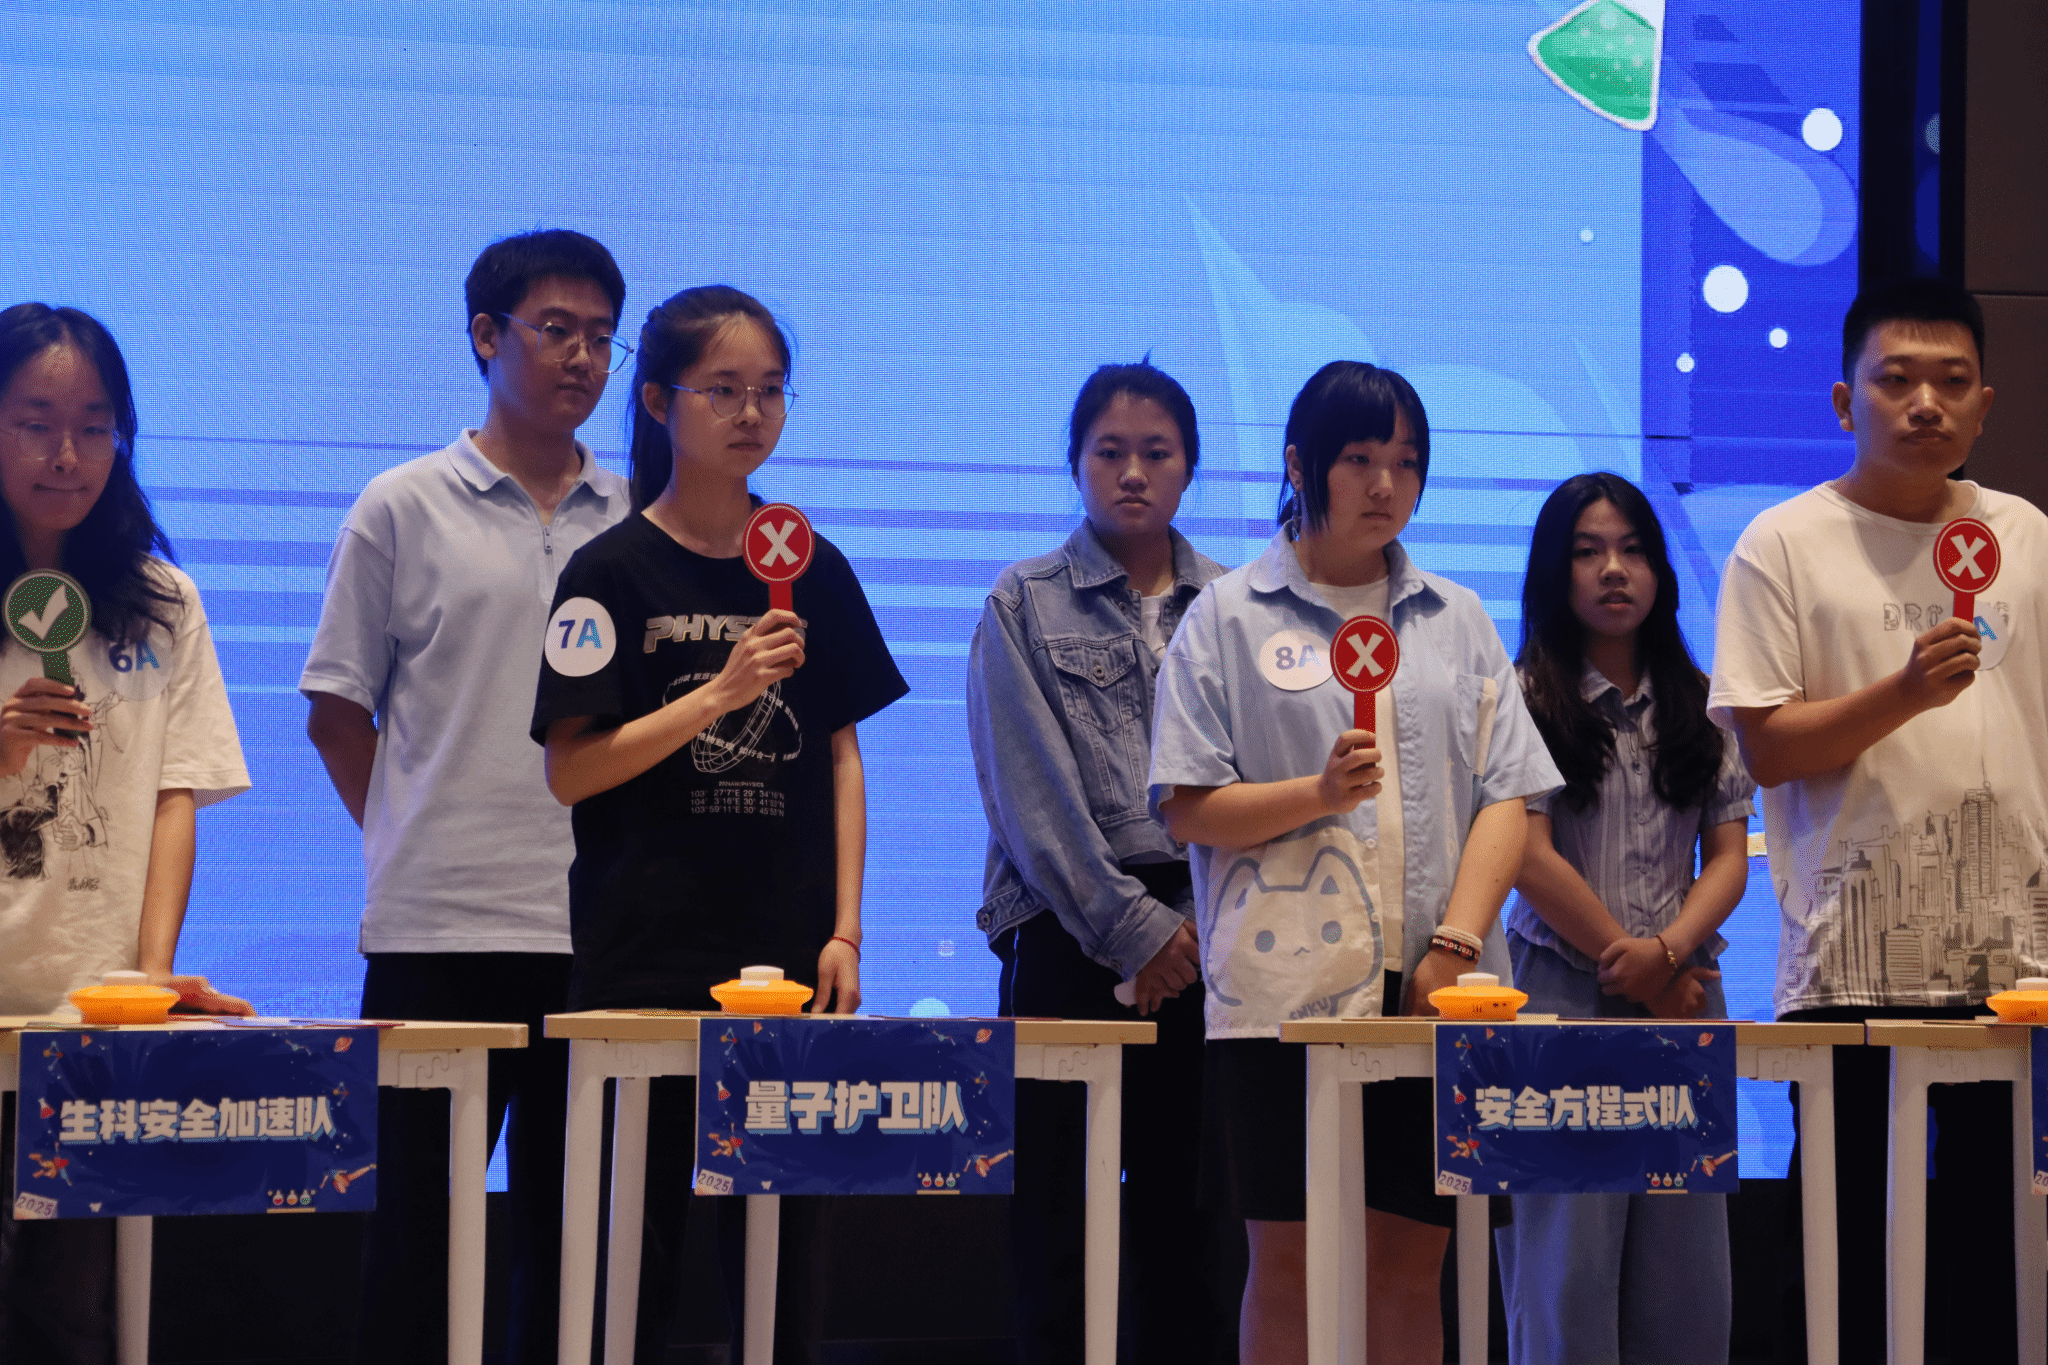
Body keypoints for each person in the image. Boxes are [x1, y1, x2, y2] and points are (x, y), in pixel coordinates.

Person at [1149, 361, 1560, 1365]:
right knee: (1286, 1266)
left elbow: (1508, 794)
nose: (1385, 485)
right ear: (1300, 464)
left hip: (1439, 992)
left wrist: (1454, 946)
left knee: (1409, 1265)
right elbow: (1186, 804)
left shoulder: (1456, 617)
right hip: (1279, 997)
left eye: (1407, 463)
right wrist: (1317, 794)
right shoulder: (1228, 614)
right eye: (1360, 459)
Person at [533, 284, 906, 1362]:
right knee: (628, 1265)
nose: (752, 413)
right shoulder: (606, 571)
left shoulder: (809, 564)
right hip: (642, 955)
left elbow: (840, 753)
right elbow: (571, 771)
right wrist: (719, 693)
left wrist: (844, 930)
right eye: (724, 390)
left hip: (784, 961)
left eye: (771, 391)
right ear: (658, 401)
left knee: (782, 1269)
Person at [300, 228, 630, 1365]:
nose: (582, 357)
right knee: (414, 1244)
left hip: (598, 937)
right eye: (555, 329)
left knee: (574, 1246)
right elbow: (336, 711)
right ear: (486, 336)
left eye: (602, 336)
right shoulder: (400, 505)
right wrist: (412, 835)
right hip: (434, 936)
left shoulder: (638, 516)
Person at [1706, 276, 2028, 1362]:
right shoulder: (1783, 542)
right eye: (1895, 380)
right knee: (1841, 1253)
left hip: (2013, 968)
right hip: (1848, 958)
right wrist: (1903, 692)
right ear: (1845, 401)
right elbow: (1765, 749)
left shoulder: (2026, 537)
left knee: (1995, 1250)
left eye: (1950, 381)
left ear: (1984, 404)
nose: (1924, 403)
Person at [966, 361, 1237, 1363]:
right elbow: (1026, 796)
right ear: (1074, 462)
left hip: (1209, 933)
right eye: (1109, 451)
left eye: (1156, 453)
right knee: (1055, 1214)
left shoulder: (1234, 605)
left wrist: (1191, 928)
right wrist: (1133, 929)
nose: (1132, 472)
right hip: (1064, 930)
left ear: (1188, 468)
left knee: (1191, 1218)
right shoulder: (1023, 601)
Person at [0, 302, 251, 1363]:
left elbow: (172, 794)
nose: (68, 455)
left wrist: (149, 977)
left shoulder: (161, 601)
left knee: (75, 1313)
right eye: (36, 423)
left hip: (88, 1017)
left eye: (95, 427)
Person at [1496, 471, 1754, 1364]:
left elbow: (1729, 858)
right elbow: (1528, 856)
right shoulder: (1519, 697)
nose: (1615, 569)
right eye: (1588, 551)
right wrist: (1630, 959)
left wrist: (1668, 953)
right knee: (1564, 1269)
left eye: (1633, 549)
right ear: (1553, 572)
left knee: (1688, 1274)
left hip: (1685, 995)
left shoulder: (1703, 701)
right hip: (1558, 996)